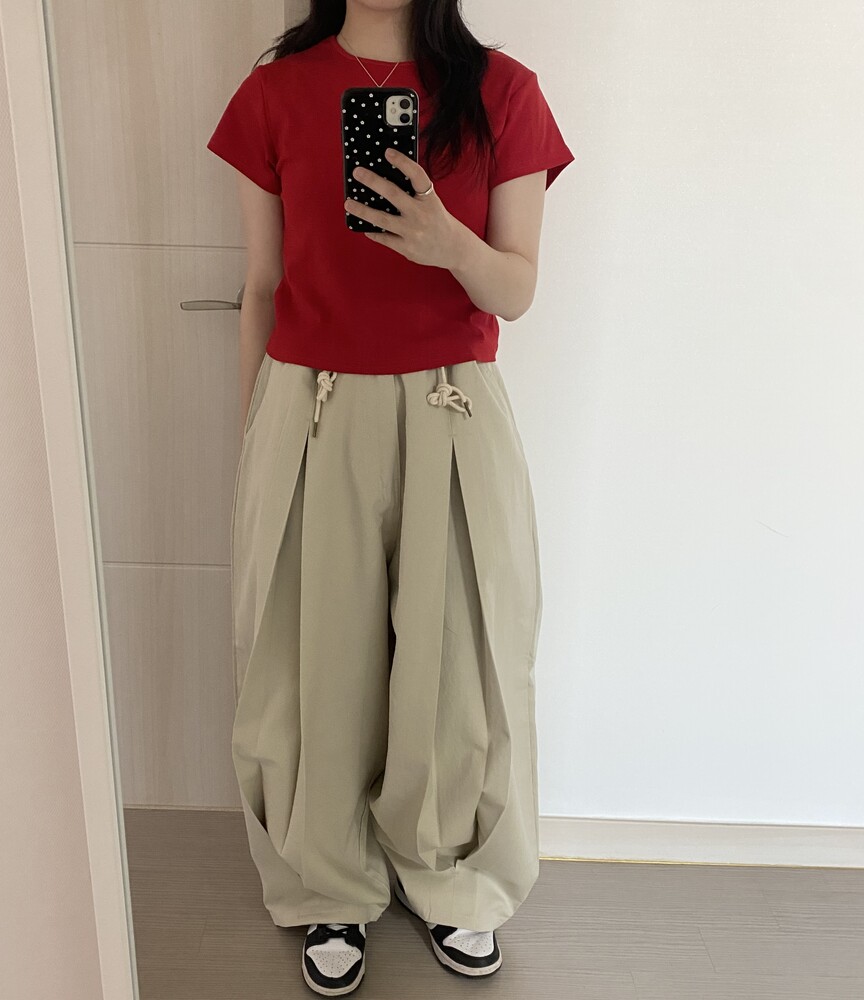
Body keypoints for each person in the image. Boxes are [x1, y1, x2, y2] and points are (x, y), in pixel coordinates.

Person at [206, 3, 574, 995]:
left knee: (458, 658)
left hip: (452, 403)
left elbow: (514, 289)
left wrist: (446, 241)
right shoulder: (276, 92)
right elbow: (262, 285)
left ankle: (449, 873)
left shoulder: (502, 92)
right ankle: (327, 879)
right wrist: (254, 442)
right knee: (316, 659)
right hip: (310, 402)